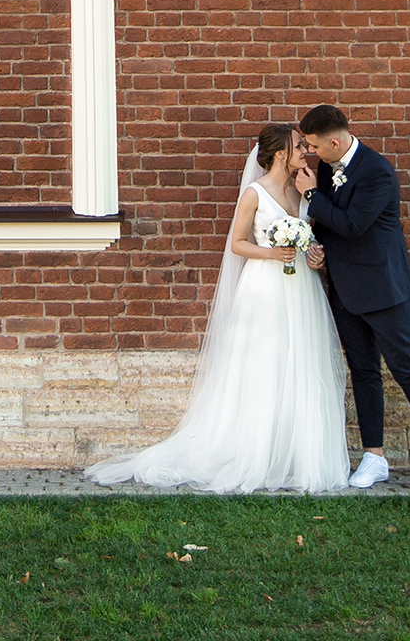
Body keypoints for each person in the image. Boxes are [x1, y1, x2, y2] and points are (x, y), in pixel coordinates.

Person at [85, 124, 350, 492]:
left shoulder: (305, 191)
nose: (304, 151)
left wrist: (314, 252)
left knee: (299, 363)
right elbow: (238, 244)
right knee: (265, 364)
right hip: (266, 289)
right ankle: (255, 452)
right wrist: (272, 253)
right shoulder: (255, 194)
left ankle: (292, 454)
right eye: (297, 146)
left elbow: (309, 239)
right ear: (278, 154)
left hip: (301, 289)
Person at [295, 102, 410, 493]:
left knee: (406, 368)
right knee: (363, 371)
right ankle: (374, 456)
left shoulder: (377, 171)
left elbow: (352, 224)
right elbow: (330, 225)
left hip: (384, 288)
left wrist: (313, 196)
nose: (311, 153)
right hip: (345, 288)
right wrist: (317, 246)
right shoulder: (325, 165)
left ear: (334, 142)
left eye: (315, 147)